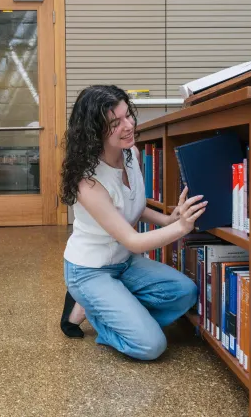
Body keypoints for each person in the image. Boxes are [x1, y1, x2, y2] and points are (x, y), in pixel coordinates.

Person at [59, 85, 207, 361]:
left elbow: (131, 203)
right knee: (150, 346)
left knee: (185, 293)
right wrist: (180, 228)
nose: (129, 126)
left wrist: (166, 218)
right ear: (94, 130)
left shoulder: (132, 155)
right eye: (116, 123)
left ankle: (112, 306)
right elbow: (133, 240)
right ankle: (94, 310)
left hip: (124, 262)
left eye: (128, 115)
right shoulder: (88, 181)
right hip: (90, 270)